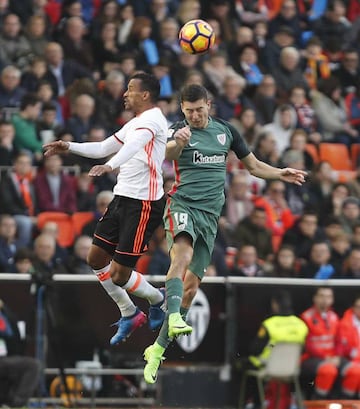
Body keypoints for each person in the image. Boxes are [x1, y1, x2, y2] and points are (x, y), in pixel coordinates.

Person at [143, 83, 307, 384]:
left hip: (209, 218)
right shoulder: (179, 130)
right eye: (188, 110)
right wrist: (178, 141)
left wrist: (280, 172)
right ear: (182, 109)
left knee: (191, 288)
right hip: (182, 204)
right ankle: (176, 315)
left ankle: (156, 349)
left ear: (209, 105)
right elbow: (166, 155)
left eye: (199, 109)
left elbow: (254, 166)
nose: (193, 115)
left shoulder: (226, 132)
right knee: (182, 253)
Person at [43, 72, 167, 345]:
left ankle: (159, 299)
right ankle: (129, 312)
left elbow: (132, 147)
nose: (125, 93)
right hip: (122, 197)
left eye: (131, 89)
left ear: (145, 95)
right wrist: (68, 146)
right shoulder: (135, 122)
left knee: (120, 274)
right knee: (96, 259)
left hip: (144, 204)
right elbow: (103, 147)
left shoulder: (153, 120)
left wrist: (110, 166)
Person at [240, 291, 308, 409]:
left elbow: (255, 349)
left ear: (275, 305)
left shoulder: (269, 324)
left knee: (242, 365)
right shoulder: (301, 325)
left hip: (267, 368)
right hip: (292, 370)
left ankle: (254, 404)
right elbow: (303, 349)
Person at [300, 286, 360, 399]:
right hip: (311, 358)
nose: (325, 300)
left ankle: (345, 402)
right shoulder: (306, 317)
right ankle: (318, 402)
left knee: (356, 371)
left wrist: (337, 356)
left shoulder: (334, 317)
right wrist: (326, 358)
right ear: (315, 298)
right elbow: (307, 345)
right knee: (328, 370)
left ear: (332, 300)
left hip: (333, 358)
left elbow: (339, 341)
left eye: (328, 297)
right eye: (321, 296)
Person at [0, 298, 41, 408]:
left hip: (4, 359)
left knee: (32, 366)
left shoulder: (3, 315)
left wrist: (4, 309)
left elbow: (13, 332)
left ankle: (14, 403)